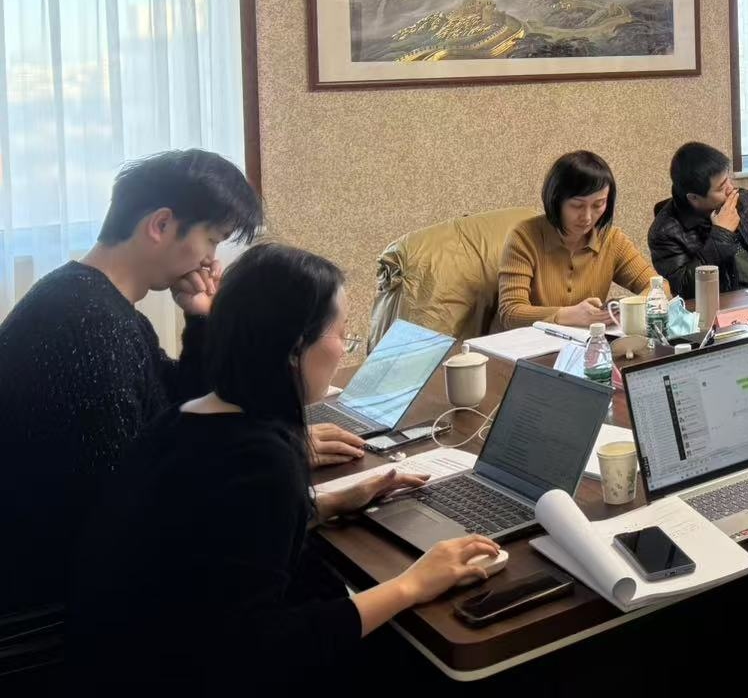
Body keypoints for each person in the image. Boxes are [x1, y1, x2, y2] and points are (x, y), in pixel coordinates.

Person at [72, 243, 501, 691]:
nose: (343, 350)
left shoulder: (185, 420)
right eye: (341, 334)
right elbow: (259, 650)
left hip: (115, 659)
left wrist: (329, 503)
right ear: (296, 349)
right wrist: (412, 584)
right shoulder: (261, 462)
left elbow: (218, 537)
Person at [0, 150, 365, 615]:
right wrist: (274, 463)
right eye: (211, 240)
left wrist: (201, 320)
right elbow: (137, 498)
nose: (211, 261)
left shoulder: (88, 299)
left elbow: (175, 409)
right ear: (161, 225)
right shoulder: (87, 326)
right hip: (62, 595)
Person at [497, 150, 659, 329]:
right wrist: (565, 315)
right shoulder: (524, 237)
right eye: (577, 205)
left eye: (598, 204)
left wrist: (630, 307)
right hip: (531, 343)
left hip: (587, 341)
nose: (587, 217)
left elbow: (659, 286)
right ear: (556, 200)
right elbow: (510, 312)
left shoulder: (611, 239)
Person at [647, 141, 748, 297]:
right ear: (694, 198)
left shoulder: (741, 199)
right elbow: (685, 289)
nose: (730, 189)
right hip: (728, 303)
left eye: (728, 179)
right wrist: (721, 235)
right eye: (721, 187)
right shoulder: (664, 232)